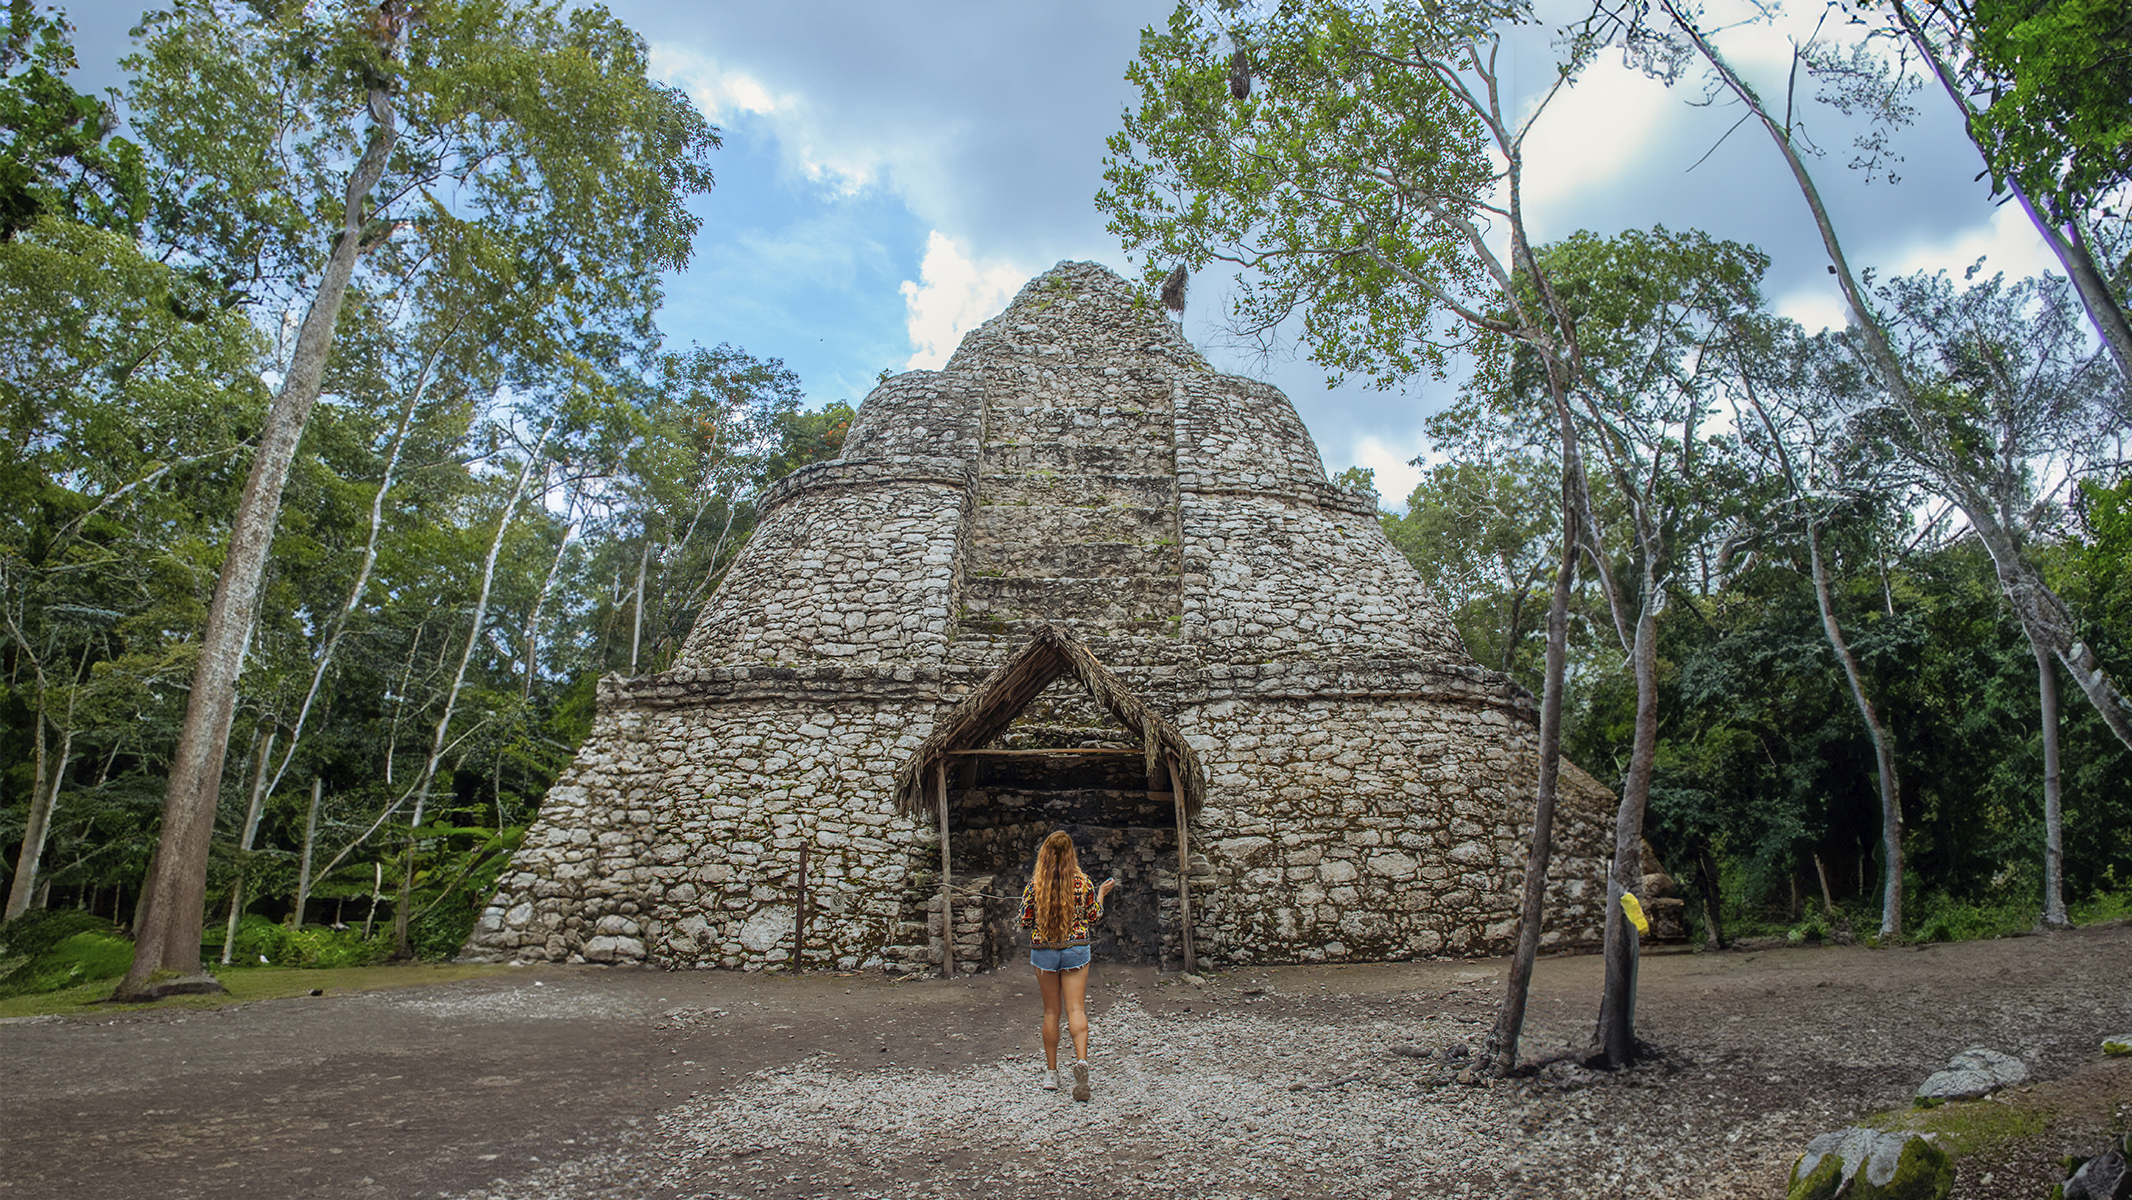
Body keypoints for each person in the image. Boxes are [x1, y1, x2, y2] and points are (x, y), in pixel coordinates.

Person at [1019, 830, 1116, 1102]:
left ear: (1045, 855)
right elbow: (1093, 916)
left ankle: (1051, 1073)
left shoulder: (1035, 884)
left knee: (1051, 1012)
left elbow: (1025, 921)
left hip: (1044, 952)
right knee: (1077, 1008)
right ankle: (1081, 1061)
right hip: (1076, 950)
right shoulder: (1083, 883)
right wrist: (1101, 893)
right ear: (1071, 853)